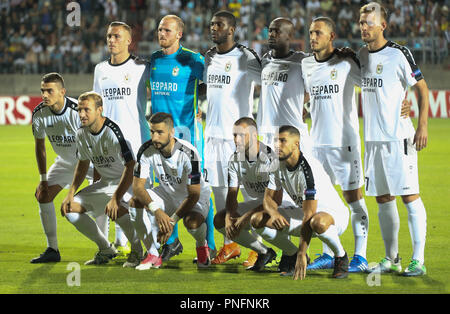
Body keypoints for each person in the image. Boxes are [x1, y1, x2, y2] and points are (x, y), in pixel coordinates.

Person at [358, 3, 429, 277]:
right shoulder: (361, 56)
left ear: (383, 25)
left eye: (369, 23)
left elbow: (421, 88)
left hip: (399, 138)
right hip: (373, 141)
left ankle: (418, 260)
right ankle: (391, 259)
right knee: (384, 199)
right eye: (361, 22)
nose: (364, 27)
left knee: (409, 197)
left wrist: (421, 126)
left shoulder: (399, 54)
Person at [301, 17, 369, 273]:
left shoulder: (346, 62)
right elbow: (307, 93)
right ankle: (328, 254)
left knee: (354, 199)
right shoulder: (306, 64)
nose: (313, 36)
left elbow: (372, 85)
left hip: (344, 145)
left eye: (318, 32)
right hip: (317, 145)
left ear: (332, 36)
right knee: (321, 201)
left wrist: (402, 102)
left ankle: (360, 256)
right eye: (310, 32)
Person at [148, 15, 216, 262]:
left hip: (187, 137)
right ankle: (172, 242)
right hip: (159, 138)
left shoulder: (191, 59)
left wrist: (201, 107)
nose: (161, 33)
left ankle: (209, 244)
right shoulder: (154, 60)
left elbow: (214, 83)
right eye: (159, 29)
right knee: (165, 188)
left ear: (179, 34)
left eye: (167, 30)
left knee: (199, 189)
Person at [204, 10, 261, 265]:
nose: (214, 28)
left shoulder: (246, 57)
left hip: (237, 138)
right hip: (212, 135)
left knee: (248, 193)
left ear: (232, 29)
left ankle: (257, 246)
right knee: (218, 190)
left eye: (219, 25)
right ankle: (230, 245)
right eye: (212, 24)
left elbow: (270, 83)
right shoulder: (210, 56)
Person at [60, 92, 142, 267]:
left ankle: (137, 251)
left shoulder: (113, 132)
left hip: (127, 184)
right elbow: (82, 164)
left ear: (99, 110)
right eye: (79, 110)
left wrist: (115, 198)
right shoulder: (81, 133)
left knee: (116, 208)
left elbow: (130, 166)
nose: (81, 114)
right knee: (69, 208)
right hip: (105, 184)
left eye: (86, 110)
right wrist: (70, 193)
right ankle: (105, 248)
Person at [93, 21, 151, 258]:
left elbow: (164, 89)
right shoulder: (100, 69)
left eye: (117, 36)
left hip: (134, 141)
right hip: (107, 142)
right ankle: (112, 244)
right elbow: (97, 105)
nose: (112, 40)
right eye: (109, 36)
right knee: (106, 191)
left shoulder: (142, 67)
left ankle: (144, 245)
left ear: (129, 41)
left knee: (134, 196)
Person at [214, 117, 303, 273]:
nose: (236, 140)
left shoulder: (270, 158)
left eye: (241, 135)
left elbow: (276, 199)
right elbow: (232, 194)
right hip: (260, 203)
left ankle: (293, 253)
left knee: (257, 219)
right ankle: (264, 252)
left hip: (285, 205)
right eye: (235, 135)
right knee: (220, 220)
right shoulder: (235, 159)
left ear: (254, 135)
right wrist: (229, 216)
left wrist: (246, 216)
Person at [262, 125, 350, 280]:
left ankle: (340, 256)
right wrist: (274, 213)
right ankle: (291, 253)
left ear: (296, 143)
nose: (277, 145)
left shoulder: (309, 169)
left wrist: (304, 253)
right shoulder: (276, 164)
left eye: (282, 141)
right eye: (276, 141)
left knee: (317, 222)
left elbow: (310, 215)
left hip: (333, 217)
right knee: (259, 220)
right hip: (305, 214)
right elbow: (268, 198)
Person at [131, 113, 212, 269]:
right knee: (135, 202)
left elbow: (194, 194)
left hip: (194, 196)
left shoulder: (189, 153)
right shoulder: (145, 150)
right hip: (167, 192)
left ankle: (202, 246)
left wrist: (171, 221)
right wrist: (157, 211)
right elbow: (138, 187)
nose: (154, 138)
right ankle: (153, 254)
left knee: (192, 223)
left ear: (171, 132)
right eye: (152, 132)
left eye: (159, 132)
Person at [31, 72, 91, 263]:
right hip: (65, 162)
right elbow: (40, 147)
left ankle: (108, 247)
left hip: (89, 161)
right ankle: (52, 249)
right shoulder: (39, 113)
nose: (45, 95)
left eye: (50, 91)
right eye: (42, 91)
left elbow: (92, 144)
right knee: (43, 195)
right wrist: (43, 180)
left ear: (62, 92)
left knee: (105, 202)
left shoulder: (76, 112)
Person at [256, 17, 312, 154]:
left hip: (293, 134)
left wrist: (299, 102)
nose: (271, 34)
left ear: (290, 36)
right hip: (267, 135)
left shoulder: (302, 61)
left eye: (277, 31)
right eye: (270, 31)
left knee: (300, 175)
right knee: (267, 175)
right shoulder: (264, 60)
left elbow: (315, 89)